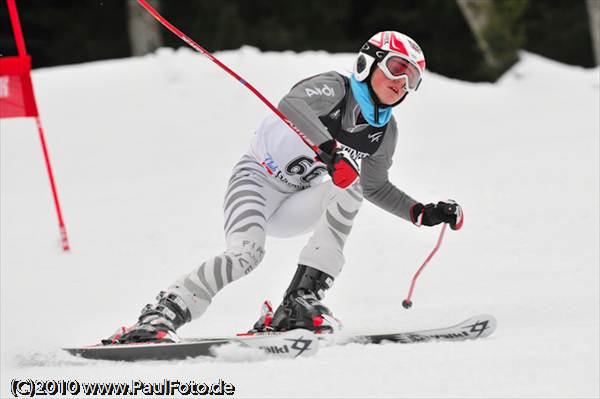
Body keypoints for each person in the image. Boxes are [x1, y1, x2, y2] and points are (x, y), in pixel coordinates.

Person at [106, 30, 463, 344]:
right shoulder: (334, 88)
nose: (403, 82)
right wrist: (330, 151)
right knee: (246, 255)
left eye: (413, 77)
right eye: (398, 68)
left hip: (297, 202)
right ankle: (164, 312)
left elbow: (375, 186)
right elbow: (291, 106)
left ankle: (298, 301)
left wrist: (420, 212)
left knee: (350, 185)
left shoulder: (385, 132)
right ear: (368, 63)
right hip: (256, 181)